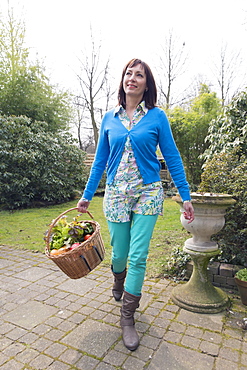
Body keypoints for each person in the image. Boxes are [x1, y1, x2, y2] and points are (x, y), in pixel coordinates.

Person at [77, 58, 194, 351]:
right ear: (123, 81)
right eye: (129, 73)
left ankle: (127, 316)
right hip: (116, 193)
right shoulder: (109, 119)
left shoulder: (157, 117)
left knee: (138, 256)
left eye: (139, 75)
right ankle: (118, 279)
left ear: (146, 83)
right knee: (120, 253)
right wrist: (87, 194)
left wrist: (186, 195)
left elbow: (173, 156)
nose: (133, 78)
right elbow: (100, 161)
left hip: (148, 192)